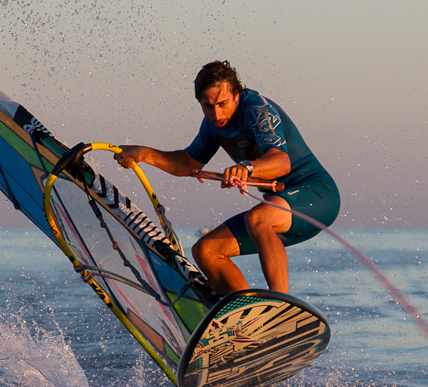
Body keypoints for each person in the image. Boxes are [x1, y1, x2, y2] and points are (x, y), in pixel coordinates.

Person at [117, 61, 339, 297]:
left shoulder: (257, 110)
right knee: (206, 250)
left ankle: (281, 306)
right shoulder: (212, 125)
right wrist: (146, 154)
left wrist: (246, 167)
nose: (217, 114)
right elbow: (188, 164)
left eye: (222, 104)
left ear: (237, 95)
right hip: (279, 210)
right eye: (208, 106)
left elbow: (281, 161)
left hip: (316, 195)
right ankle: (245, 317)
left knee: (258, 218)